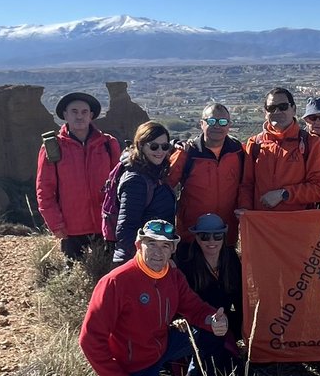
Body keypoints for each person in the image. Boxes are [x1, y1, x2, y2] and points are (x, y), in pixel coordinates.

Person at [79, 220, 229, 376]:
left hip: (162, 344)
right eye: (152, 244)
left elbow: (194, 308)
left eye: (165, 246)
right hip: (133, 364)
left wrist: (213, 320)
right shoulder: (115, 282)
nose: (158, 252)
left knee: (207, 333)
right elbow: (90, 340)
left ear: (173, 249)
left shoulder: (173, 276)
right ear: (139, 245)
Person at [36, 91, 121, 260]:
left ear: (91, 115)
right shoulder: (53, 147)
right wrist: (56, 224)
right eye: (74, 111)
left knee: (109, 277)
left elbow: (119, 184)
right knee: (74, 277)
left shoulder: (108, 144)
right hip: (71, 229)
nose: (79, 116)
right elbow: (44, 190)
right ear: (65, 115)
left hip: (106, 225)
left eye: (84, 112)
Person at [167, 103, 245, 251]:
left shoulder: (238, 152)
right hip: (191, 235)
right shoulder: (187, 152)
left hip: (225, 235)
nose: (217, 126)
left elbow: (246, 185)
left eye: (222, 122)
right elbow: (166, 185)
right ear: (201, 124)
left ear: (229, 125)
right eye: (211, 121)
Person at [237, 87, 320, 212]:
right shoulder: (255, 143)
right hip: (262, 225)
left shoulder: (310, 143)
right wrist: (245, 209)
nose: (277, 111)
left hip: (297, 225)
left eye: (283, 106)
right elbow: (247, 185)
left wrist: (284, 194)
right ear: (265, 113)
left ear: (294, 109)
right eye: (271, 108)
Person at [112, 122, 177, 263]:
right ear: (141, 146)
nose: (160, 151)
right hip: (139, 261)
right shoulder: (136, 180)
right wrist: (147, 260)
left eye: (165, 146)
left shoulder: (155, 173)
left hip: (154, 258)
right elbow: (126, 230)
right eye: (154, 146)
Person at [176, 213, 244, 343]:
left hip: (225, 321)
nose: (211, 241)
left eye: (217, 236)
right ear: (196, 238)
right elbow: (183, 301)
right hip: (198, 322)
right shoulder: (186, 264)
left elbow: (240, 297)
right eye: (205, 236)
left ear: (224, 238)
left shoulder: (231, 259)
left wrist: (244, 326)